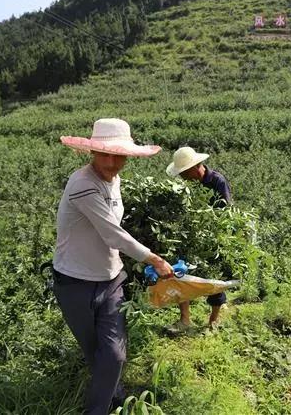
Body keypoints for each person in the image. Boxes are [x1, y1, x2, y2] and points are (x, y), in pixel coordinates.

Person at [53, 118, 173, 415]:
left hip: (111, 279)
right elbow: (111, 233)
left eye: (118, 155)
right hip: (74, 282)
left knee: (115, 354)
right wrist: (154, 259)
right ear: (92, 153)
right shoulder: (82, 183)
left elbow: (112, 230)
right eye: (105, 154)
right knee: (96, 352)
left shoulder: (114, 180)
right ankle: (115, 396)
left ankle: (97, 410)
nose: (112, 162)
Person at [166, 146, 233, 331]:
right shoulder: (186, 185)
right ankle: (185, 319)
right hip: (190, 235)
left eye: (185, 173)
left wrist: (207, 224)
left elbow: (225, 212)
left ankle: (213, 320)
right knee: (181, 271)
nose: (183, 178)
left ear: (196, 167)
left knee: (215, 276)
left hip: (212, 235)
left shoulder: (217, 181)